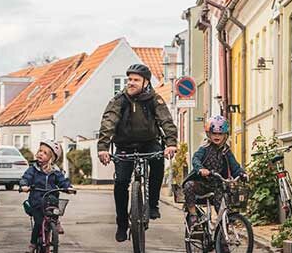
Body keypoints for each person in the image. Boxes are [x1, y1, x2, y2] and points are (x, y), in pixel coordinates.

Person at [97, 63, 178, 243]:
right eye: (129, 79)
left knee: (158, 163)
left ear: (146, 82)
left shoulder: (154, 99)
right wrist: (103, 148)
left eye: (136, 80)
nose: (131, 83)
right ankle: (122, 223)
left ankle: (153, 204)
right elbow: (108, 123)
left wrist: (171, 143)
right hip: (125, 145)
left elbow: (166, 121)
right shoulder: (119, 100)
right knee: (121, 182)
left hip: (149, 143)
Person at [181, 115, 247, 228]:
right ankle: (193, 215)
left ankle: (222, 239)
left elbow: (234, 166)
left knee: (222, 211)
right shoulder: (205, 148)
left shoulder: (226, 151)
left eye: (220, 134)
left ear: (225, 135)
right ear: (208, 134)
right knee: (188, 186)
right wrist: (201, 169)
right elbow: (196, 159)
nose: (217, 136)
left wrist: (242, 173)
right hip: (203, 184)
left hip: (218, 185)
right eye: (214, 133)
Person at [19, 140, 72, 253]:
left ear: (51, 158)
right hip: (37, 201)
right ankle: (32, 245)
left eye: (45, 153)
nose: (40, 154)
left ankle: (55, 222)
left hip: (50, 201)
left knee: (54, 206)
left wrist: (68, 188)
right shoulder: (33, 169)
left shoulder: (55, 171)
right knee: (38, 223)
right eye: (40, 151)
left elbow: (62, 181)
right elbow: (26, 178)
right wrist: (24, 185)